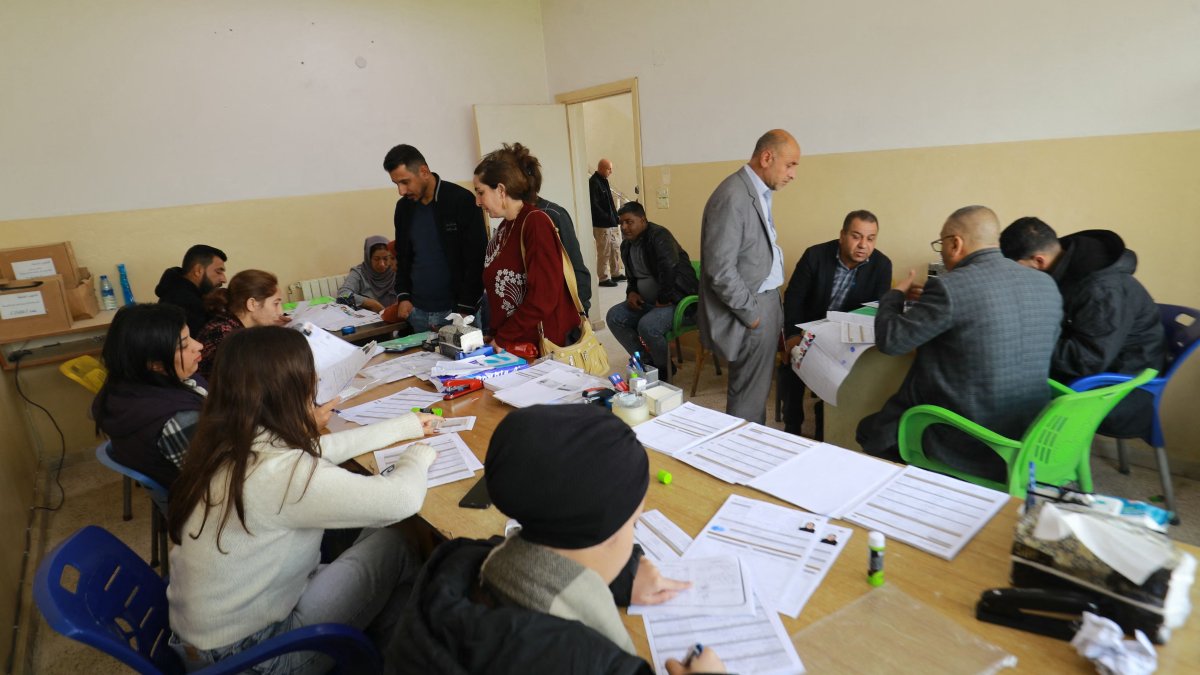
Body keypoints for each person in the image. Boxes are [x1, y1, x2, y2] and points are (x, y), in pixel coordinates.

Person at [167, 326, 442, 673]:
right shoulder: (281, 474)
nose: (315, 379)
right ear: (290, 389)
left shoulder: (225, 441)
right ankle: (389, 658)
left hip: (213, 637)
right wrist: (417, 456)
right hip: (254, 657)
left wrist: (406, 426)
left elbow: (318, 449)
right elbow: (403, 498)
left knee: (383, 537)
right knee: (400, 541)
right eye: (309, 371)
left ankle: (379, 652)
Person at [394, 404, 726, 674]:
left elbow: (537, 563)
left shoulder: (459, 560)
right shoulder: (591, 662)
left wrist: (616, 579)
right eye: (633, 524)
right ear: (604, 533)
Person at [857, 206, 1062, 483]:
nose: (941, 251)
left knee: (869, 429)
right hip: (1031, 430)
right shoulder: (1046, 284)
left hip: (970, 436)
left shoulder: (949, 286)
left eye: (942, 244)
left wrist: (893, 296)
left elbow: (892, 341)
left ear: (955, 243)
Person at [1000, 218, 1164, 438]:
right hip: (1107, 365)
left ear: (1039, 260)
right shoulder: (1071, 266)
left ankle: (1024, 461)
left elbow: (1087, 360)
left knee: (1004, 385)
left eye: (1018, 270)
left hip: (1121, 386)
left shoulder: (1101, 291)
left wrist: (1030, 339)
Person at [698, 129, 801, 424]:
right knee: (748, 398)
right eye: (790, 164)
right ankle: (741, 458)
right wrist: (752, 314)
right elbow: (719, 269)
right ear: (767, 157)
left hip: (765, 302)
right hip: (751, 309)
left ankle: (751, 449)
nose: (793, 174)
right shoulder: (733, 195)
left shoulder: (757, 191)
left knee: (755, 393)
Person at [781, 210, 893, 437]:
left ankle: (826, 427)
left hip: (846, 337)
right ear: (842, 235)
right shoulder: (815, 256)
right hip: (807, 331)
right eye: (856, 236)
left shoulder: (882, 265)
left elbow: (876, 311)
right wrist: (792, 334)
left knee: (840, 375)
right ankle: (792, 426)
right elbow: (794, 298)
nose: (863, 245)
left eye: (870, 238)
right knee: (791, 361)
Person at [475, 143, 582, 358]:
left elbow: (543, 297)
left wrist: (504, 336)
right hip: (514, 343)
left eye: (480, 192)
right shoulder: (505, 226)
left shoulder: (535, 223)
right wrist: (496, 334)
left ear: (501, 190)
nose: (478, 202)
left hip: (543, 346)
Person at [92, 303, 206, 489]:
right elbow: (218, 482)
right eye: (184, 344)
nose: (199, 345)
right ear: (154, 363)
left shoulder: (122, 384)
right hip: (203, 504)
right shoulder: (179, 420)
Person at [383, 144, 489, 332]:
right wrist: (404, 297)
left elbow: (477, 259)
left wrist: (466, 308)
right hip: (418, 313)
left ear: (424, 171)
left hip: (458, 313)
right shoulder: (403, 209)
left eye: (405, 182)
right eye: (396, 184)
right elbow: (403, 257)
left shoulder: (461, 201)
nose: (401, 191)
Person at [605, 202, 698, 382]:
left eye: (629, 222)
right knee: (614, 316)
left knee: (648, 326)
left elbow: (669, 269)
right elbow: (632, 278)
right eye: (621, 223)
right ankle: (648, 363)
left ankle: (664, 368)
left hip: (677, 300)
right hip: (648, 302)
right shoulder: (627, 246)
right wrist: (631, 292)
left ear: (643, 220)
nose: (624, 227)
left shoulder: (659, 236)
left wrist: (663, 299)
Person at [195, 269, 284, 378]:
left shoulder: (234, 327)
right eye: (276, 304)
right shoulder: (223, 334)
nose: (280, 311)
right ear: (252, 304)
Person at [535, 195, 593, 316]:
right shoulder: (510, 221)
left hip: (560, 309)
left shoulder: (553, 214)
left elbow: (575, 263)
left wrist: (581, 308)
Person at [155, 244, 228, 336]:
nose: (224, 279)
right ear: (198, 270)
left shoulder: (179, 294)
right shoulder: (185, 304)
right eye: (218, 271)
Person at [338, 235, 398, 313]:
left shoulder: (395, 271)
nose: (382, 264)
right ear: (368, 258)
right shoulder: (359, 273)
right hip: (371, 322)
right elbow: (343, 293)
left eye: (386, 258)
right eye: (376, 259)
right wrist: (372, 303)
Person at [590, 158, 624, 287]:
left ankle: (615, 274)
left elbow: (610, 203)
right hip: (601, 225)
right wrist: (607, 218)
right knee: (604, 251)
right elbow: (595, 206)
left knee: (615, 248)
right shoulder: (593, 183)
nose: (611, 171)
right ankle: (603, 278)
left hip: (611, 223)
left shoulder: (604, 181)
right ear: (602, 168)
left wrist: (615, 218)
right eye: (609, 168)